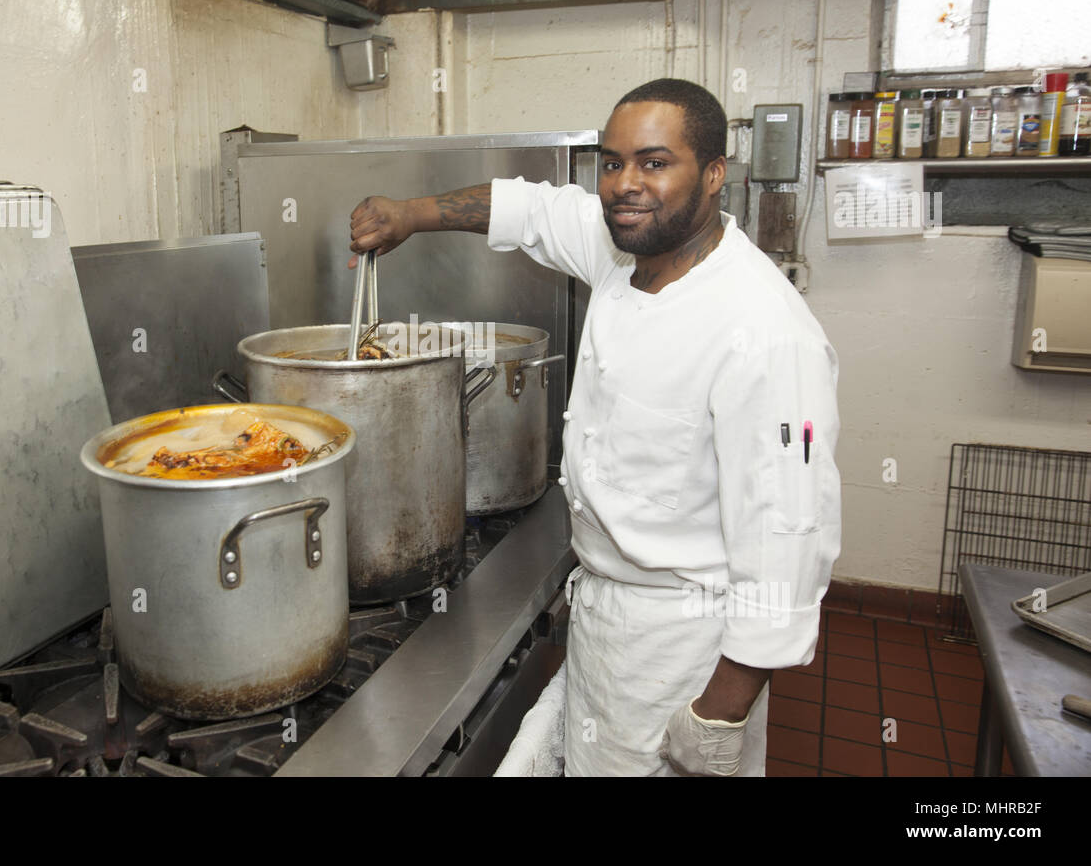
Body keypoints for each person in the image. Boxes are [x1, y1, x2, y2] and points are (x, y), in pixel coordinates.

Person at [347, 78, 841, 776]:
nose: (624, 184)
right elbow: (532, 210)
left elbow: (791, 544)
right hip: (606, 623)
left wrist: (720, 714)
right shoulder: (626, 254)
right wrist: (409, 214)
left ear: (713, 175)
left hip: (685, 654)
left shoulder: (763, 329)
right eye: (612, 163)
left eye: (654, 162)